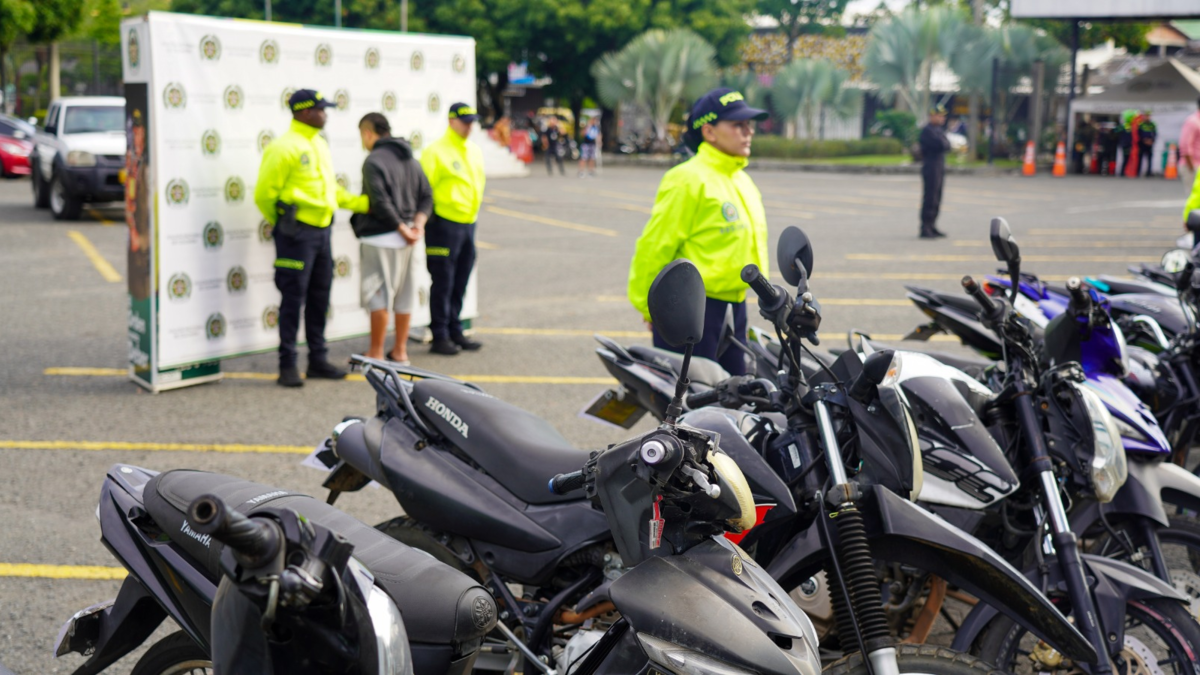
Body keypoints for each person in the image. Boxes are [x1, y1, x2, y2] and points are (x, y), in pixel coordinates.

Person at [627, 87, 769, 376]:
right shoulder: (687, 179)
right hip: (693, 309)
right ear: (709, 131)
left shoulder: (742, 179)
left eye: (749, 125)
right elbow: (655, 246)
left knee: (737, 399)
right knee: (692, 404)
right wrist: (650, 308)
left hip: (735, 305)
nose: (748, 132)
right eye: (738, 125)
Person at [254, 89, 368, 387]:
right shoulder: (283, 147)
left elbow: (330, 192)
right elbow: (264, 195)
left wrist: (364, 204)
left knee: (320, 296)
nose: (325, 114)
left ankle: (317, 360)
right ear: (305, 112)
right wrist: (285, 224)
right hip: (297, 234)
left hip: (322, 231)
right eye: (321, 109)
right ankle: (287, 364)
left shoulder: (318, 144)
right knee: (293, 298)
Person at [352, 112, 433, 366]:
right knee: (405, 294)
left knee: (379, 295)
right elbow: (427, 195)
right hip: (410, 237)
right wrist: (416, 226)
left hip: (381, 238)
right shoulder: (411, 158)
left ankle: (375, 353)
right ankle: (400, 351)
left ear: (367, 133)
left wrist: (401, 228)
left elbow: (380, 202)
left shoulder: (373, 161)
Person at [420, 102, 486, 355]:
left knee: (461, 279)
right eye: (464, 121)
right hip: (442, 224)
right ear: (451, 121)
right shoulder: (435, 151)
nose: (469, 126)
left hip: (468, 223)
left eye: (472, 122)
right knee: (443, 281)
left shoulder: (473, 150)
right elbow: (424, 191)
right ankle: (439, 334)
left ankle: (455, 329)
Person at [918, 104, 951, 239]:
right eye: (939, 115)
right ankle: (925, 227)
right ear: (932, 115)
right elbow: (941, 144)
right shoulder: (928, 130)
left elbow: (947, 145)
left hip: (939, 166)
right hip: (931, 166)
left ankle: (932, 225)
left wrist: (943, 143)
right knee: (930, 197)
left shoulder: (937, 130)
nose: (942, 118)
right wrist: (943, 143)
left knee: (937, 197)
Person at [1139, 112, 1158, 177]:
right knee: (1140, 158)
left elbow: (1155, 134)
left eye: (1148, 116)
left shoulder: (1152, 124)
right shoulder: (1141, 124)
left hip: (1150, 144)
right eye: (1146, 116)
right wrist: (1144, 140)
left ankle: (1148, 172)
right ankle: (1139, 172)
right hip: (1142, 144)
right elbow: (1139, 134)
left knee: (1149, 159)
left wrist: (1152, 141)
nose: (1147, 117)